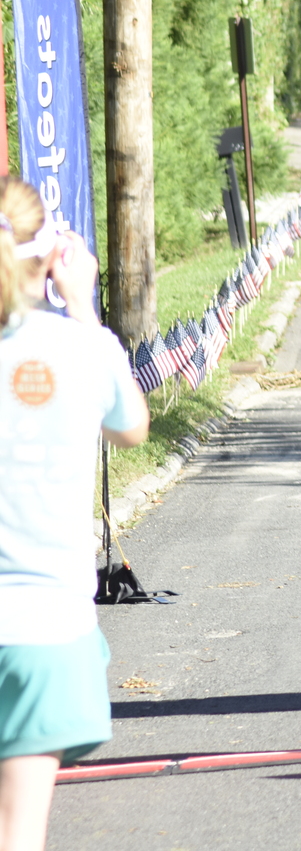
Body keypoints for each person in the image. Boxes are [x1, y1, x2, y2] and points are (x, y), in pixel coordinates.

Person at [0, 178, 149, 851]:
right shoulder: (82, 350)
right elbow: (130, 426)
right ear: (49, 252)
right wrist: (83, 305)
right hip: (44, 631)